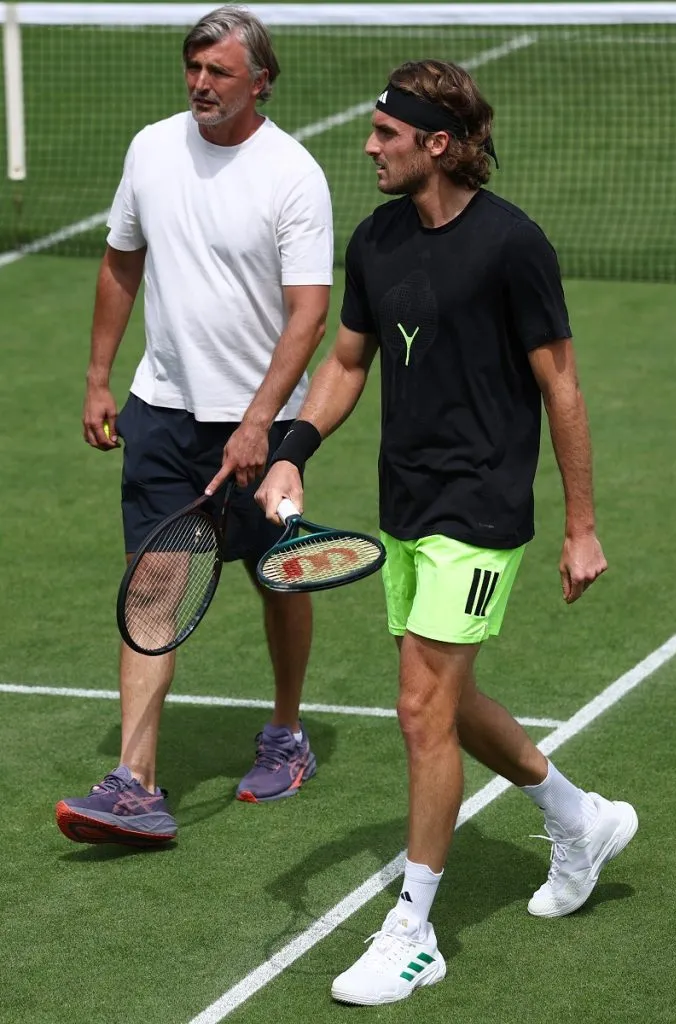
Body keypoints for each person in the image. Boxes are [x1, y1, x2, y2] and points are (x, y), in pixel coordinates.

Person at [256, 60, 638, 1005]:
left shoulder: (513, 245)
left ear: (437, 144)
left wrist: (578, 526)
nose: (369, 145)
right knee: (446, 700)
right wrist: (292, 448)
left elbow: (562, 387)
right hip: (407, 505)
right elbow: (347, 362)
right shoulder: (378, 240)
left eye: (387, 134)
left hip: (482, 508)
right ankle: (574, 814)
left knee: (421, 709)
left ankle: (412, 929)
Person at [55, 5, 333, 847]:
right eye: (193, 67)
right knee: (153, 590)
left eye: (218, 71)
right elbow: (120, 259)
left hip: (263, 425)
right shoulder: (150, 149)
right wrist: (101, 377)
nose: (200, 84)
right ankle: (135, 781)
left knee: (276, 578)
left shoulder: (293, 174)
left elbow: (309, 314)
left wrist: (259, 423)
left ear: (260, 81)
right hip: (163, 413)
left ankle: (286, 732)